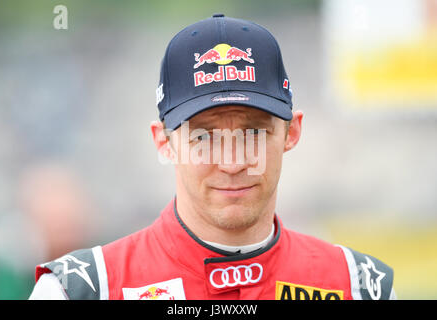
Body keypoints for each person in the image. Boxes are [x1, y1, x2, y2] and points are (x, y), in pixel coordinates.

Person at [29, 14, 395, 300]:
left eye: (254, 131)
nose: (234, 162)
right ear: (164, 142)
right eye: (204, 136)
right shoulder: (81, 288)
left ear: (292, 132)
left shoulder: (362, 286)